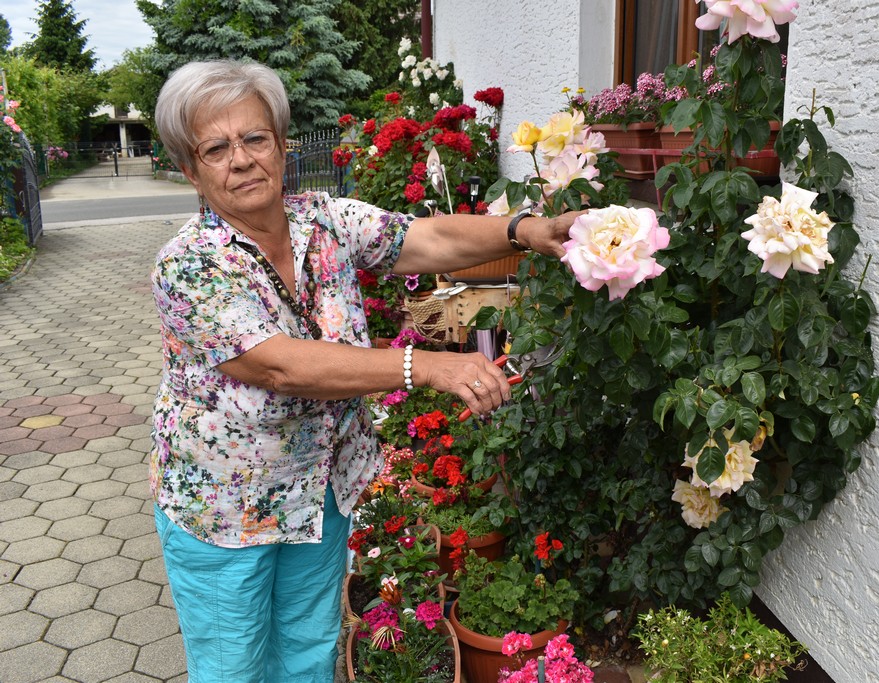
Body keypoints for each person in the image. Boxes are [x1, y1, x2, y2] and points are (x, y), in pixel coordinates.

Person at [148, 59, 579, 682]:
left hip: (318, 488)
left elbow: (425, 238)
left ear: (281, 145)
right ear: (190, 169)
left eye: (255, 138)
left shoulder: (321, 221)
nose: (241, 159)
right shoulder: (187, 265)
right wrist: (421, 364)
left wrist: (526, 230)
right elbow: (280, 365)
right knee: (232, 668)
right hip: (227, 508)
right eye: (215, 148)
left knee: (309, 653)